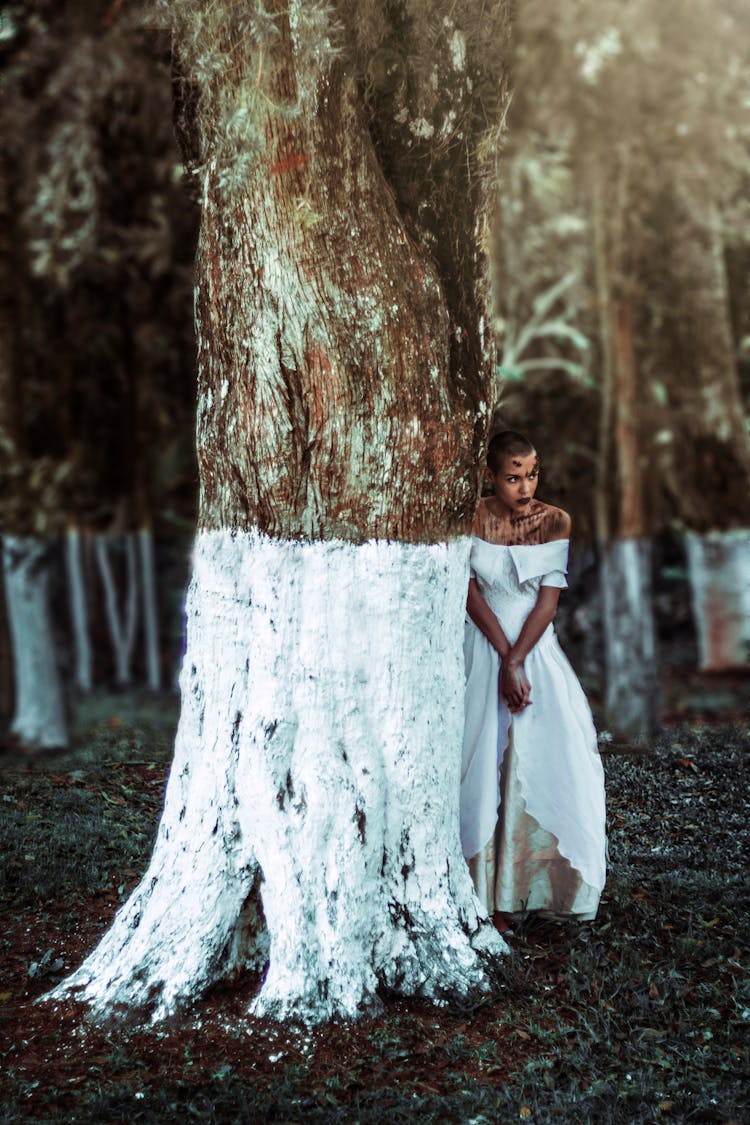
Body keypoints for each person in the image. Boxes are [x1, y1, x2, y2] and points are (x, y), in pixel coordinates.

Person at [461, 430, 606, 933]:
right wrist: (502, 657)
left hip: (533, 650)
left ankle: (526, 887)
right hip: (482, 648)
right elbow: (469, 591)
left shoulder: (555, 521)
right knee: (480, 763)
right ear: (490, 475)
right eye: (512, 477)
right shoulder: (471, 516)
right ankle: (479, 895)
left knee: (544, 758)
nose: (525, 486)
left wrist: (518, 661)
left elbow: (548, 602)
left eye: (532, 474)